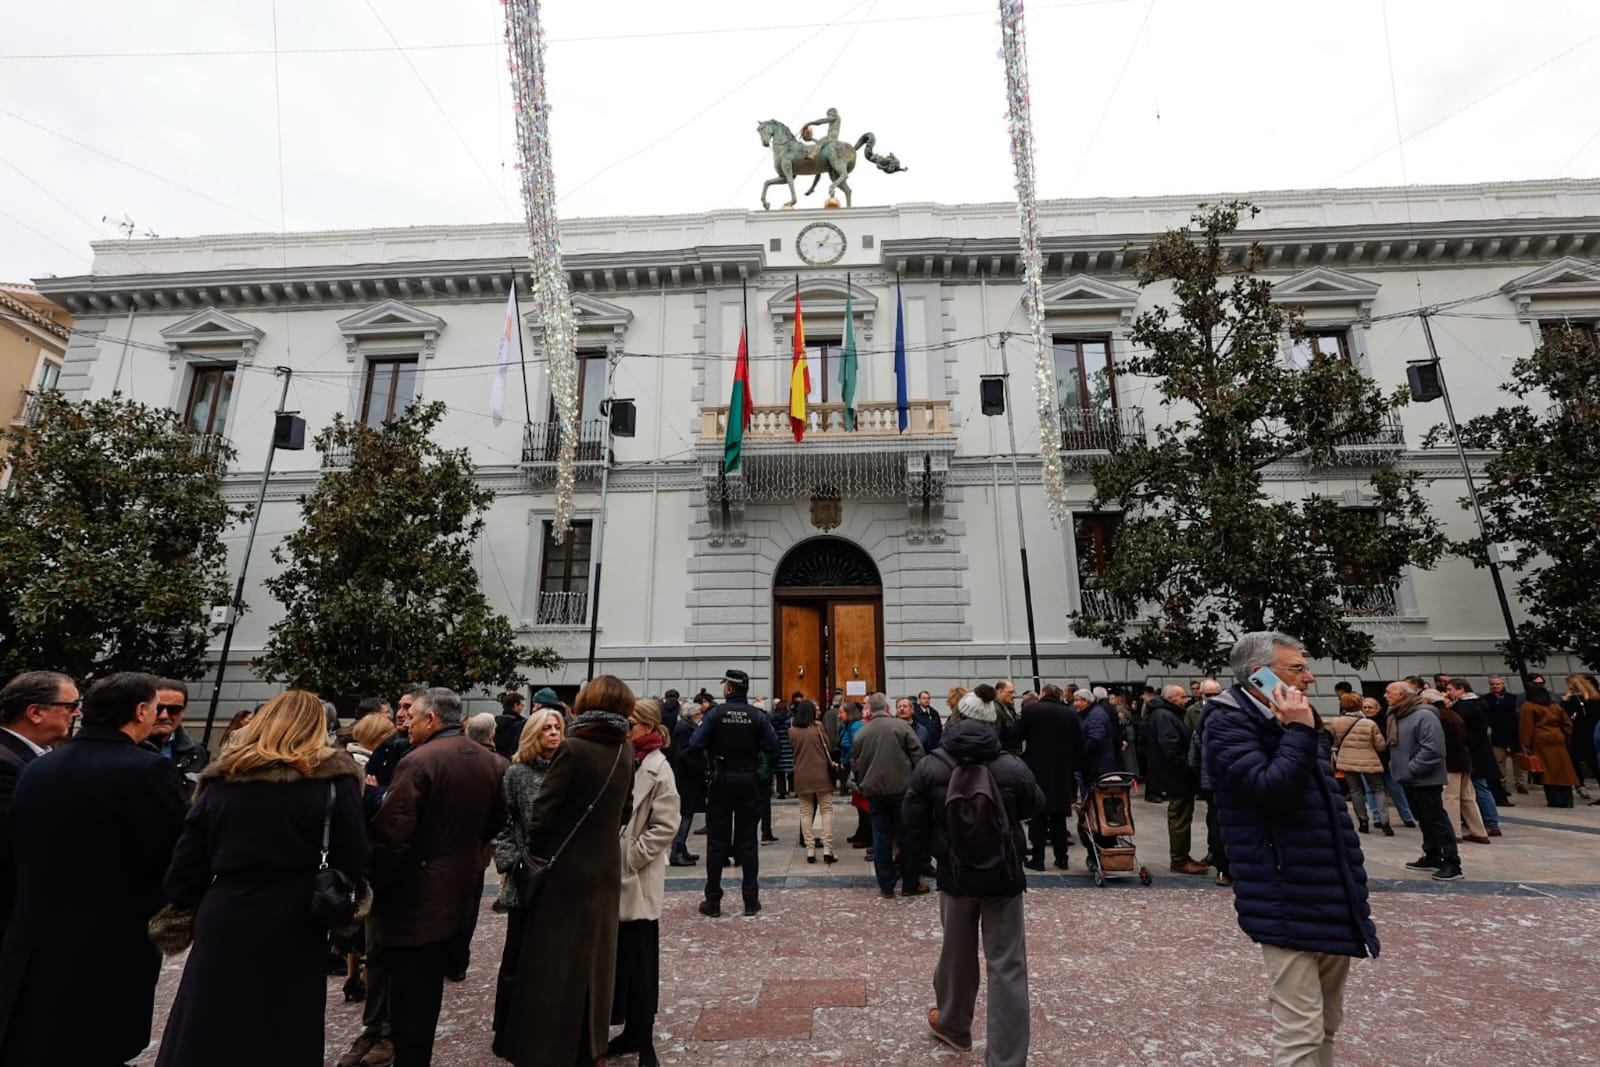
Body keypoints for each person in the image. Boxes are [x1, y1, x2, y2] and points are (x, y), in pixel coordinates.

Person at [149, 690, 369, 1067]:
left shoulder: (224, 778)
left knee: (208, 1017)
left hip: (227, 907)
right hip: (296, 912)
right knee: (285, 1022)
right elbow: (355, 855)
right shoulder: (334, 782)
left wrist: (182, 905)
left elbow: (188, 858)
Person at [1202, 633, 1379, 1067]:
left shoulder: (1295, 715)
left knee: (1326, 1024)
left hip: (1329, 888)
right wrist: (1299, 731)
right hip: (1284, 890)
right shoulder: (1228, 720)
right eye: (1296, 668)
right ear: (1258, 674)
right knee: (1299, 1030)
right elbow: (1270, 790)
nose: (1309, 676)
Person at [0, 672, 188, 1066]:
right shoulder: (147, 770)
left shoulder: (40, 767)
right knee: (98, 1044)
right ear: (140, 711)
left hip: (35, 931)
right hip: (110, 940)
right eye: (156, 709)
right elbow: (171, 851)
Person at [499, 675, 635, 1067]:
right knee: (595, 960)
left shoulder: (574, 748)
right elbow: (624, 809)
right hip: (604, 866)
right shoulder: (625, 750)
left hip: (564, 871)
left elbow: (543, 814)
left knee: (551, 962)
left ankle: (545, 1045)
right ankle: (590, 1044)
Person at [903, 688, 1044, 1067]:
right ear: (994, 722)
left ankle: (953, 1024)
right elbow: (1035, 804)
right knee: (1008, 964)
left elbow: (912, 821)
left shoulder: (932, 765)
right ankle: (1007, 1059)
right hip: (1003, 875)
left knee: (956, 952)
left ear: (955, 719)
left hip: (955, 873)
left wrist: (924, 860)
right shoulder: (1011, 766)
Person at [367, 687, 507, 1067]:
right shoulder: (490, 761)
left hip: (414, 895)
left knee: (408, 993)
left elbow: (392, 834)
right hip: (457, 891)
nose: (406, 723)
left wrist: (374, 884)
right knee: (426, 991)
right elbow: (497, 820)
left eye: (412, 717)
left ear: (432, 719)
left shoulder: (417, 761)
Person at [609, 698, 681, 1067]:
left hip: (636, 879)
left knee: (640, 961)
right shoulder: (621, 758)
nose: (626, 728)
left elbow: (666, 824)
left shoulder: (658, 767)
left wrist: (632, 856)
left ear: (650, 728)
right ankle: (627, 1029)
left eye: (632, 724)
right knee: (618, 961)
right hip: (613, 878)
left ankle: (644, 1035)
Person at [489, 707, 563, 1049]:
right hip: (527, 874)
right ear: (533, 734)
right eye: (546, 727)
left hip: (562, 876)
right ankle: (505, 1031)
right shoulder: (516, 773)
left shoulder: (568, 771)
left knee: (552, 958)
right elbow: (501, 823)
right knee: (516, 956)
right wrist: (512, 863)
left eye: (557, 726)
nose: (553, 732)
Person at [690, 669, 779, 917]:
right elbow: (773, 746)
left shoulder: (715, 714)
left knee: (717, 842)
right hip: (748, 779)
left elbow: (695, 743)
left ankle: (713, 900)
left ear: (729, 689)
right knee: (748, 842)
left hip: (721, 779)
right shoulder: (757, 715)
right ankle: (751, 900)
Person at [0, 671, 79, 934]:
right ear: (35, 713)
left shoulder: (43, 758)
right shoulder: (6, 763)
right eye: (70, 706)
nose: (77, 714)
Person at [853, 691, 928, 898]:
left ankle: (886, 885)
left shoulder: (862, 733)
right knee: (907, 837)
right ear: (887, 709)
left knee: (881, 837)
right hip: (902, 791)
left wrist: (863, 783)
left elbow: (855, 763)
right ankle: (910, 883)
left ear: (871, 710)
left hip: (875, 792)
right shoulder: (901, 727)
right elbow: (918, 754)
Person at [1386, 681, 1463, 880]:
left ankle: (1452, 863)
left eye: (1389, 692)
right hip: (1408, 778)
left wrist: (1410, 769)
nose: (1385, 696)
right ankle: (1432, 854)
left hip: (1425, 778)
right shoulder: (1398, 715)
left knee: (1436, 819)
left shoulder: (1423, 715)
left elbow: (1433, 749)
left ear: (1402, 695)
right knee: (1424, 818)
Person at [1012, 683, 1083, 872]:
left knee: (1038, 815)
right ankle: (1062, 858)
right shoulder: (1070, 713)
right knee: (1059, 817)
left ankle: (1038, 857)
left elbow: (1016, 734)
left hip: (1037, 769)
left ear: (1043, 694)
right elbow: (1079, 743)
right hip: (1061, 771)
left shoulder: (1032, 710)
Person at [1145, 684, 1208, 874]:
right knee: (1179, 816)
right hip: (1177, 777)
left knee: (1181, 816)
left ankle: (1182, 856)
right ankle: (1179, 859)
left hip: (1176, 775)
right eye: (1182, 697)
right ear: (1171, 698)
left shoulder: (1167, 713)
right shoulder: (1164, 715)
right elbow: (1170, 747)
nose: (1186, 699)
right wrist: (1187, 768)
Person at [1327, 692, 1391, 835]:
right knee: (1378, 789)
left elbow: (1335, 741)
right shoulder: (1369, 723)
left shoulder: (1336, 722)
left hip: (1347, 760)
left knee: (1355, 791)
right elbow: (1381, 745)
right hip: (1369, 760)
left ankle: (1362, 821)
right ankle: (1385, 822)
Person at [789, 699, 837, 864]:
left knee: (805, 812)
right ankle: (827, 849)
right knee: (826, 810)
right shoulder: (818, 727)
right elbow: (828, 745)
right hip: (821, 773)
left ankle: (810, 850)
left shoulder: (792, 730)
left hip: (802, 775)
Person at [1438, 700, 1491, 845]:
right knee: (1468, 797)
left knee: (1451, 797)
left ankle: (1454, 833)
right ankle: (1479, 832)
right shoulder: (1453, 715)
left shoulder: (1440, 716)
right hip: (1463, 759)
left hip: (1451, 761)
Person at [1520, 683, 1578, 807]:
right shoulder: (1554, 706)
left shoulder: (1528, 706)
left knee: (1547, 772)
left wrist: (1525, 743)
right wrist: (1564, 735)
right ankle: (1567, 800)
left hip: (1540, 740)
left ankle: (1555, 800)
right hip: (1558, 738)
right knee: (1563, 770)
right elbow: (1567, 723)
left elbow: (1526, 726)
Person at [150, 677, 211, 783]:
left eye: (174, 710)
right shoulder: (128, 748)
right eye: (158, 708)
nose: (164, 716)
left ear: (183, 711)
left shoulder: (196, 753)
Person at [668, 697, 705, 867]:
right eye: (698, 713)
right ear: (691, 715)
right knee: (685, 815)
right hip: (686, 778)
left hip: (688, 777)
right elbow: (683, 754)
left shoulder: (686, 727)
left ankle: (682, 848)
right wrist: (698, 765)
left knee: (687, 815)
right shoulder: (684, 729)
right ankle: (677, 851)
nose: (701, 716)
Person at [1483, 674, 1524, 795]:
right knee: (1499, 759)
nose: (1495, 686)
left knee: (1517, 760)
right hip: (1497, 734)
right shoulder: (1486, 699)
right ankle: (1502, 783)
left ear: (1503, 684)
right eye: (1493, 684)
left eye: (1497, 684)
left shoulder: (1512, 698)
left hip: (1514, 733)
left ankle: (1520, 782)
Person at [1562, 674, 1600, 800]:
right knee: (1594, 761)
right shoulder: (1596, 696)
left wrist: (1565, 700)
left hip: (1581, 734)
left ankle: (1580, 785)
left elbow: (1562, 711)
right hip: (1594, 731)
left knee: (1577, 759)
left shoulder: (1575, 699)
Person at [771, 695, 795, 799]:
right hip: (789, 747)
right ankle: (793, 790)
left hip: (779, 747)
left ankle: (781, 792)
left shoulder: (773, 718)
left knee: (780, 772)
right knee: (791, 770)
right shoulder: (790, 719)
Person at [493, 690, 527, 759]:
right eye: (522, 705)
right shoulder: (521, 724)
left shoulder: (495, 722)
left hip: (497, 759)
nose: (523, 708)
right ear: (515, 706)